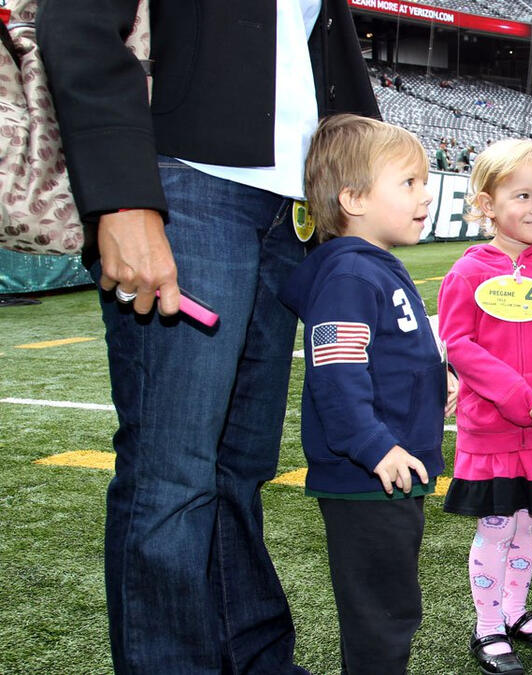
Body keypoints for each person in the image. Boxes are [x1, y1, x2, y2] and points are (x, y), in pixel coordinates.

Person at [37, 1, 379, 671]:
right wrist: (123, 195)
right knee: (174, 473)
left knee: (239, 469)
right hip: (185, 181)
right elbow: (76, 17)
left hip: (292, 203)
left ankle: (255, 659)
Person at [279, 115, 456, 673]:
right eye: (409, 183)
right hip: (368, 475)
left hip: (391, 472)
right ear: (353, 198)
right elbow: (336, 369)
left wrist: (439, 376)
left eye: (423, 182)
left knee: (391, 605)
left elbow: (390, 352)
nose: (424, 196)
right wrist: (373, 444)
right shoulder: (350, 277)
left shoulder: (373, 268)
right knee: (382, 612)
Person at [438, 139, 532, 674]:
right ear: (486, 203)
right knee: (497, 526)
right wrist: (523, 399)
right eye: (522, 194)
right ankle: (487, 627)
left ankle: (517, 612)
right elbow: (459, 345)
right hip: (493, 431)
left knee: (527, 525)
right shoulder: (467, 273)